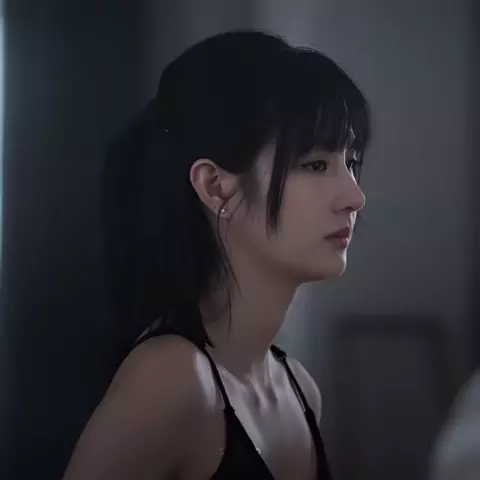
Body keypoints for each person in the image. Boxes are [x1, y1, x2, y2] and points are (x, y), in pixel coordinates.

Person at [62, 30, 370, 480]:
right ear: (215, 186)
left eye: (352, 163)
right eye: (315, 164)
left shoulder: (301, 389)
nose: (355, 197)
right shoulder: (171, 379)